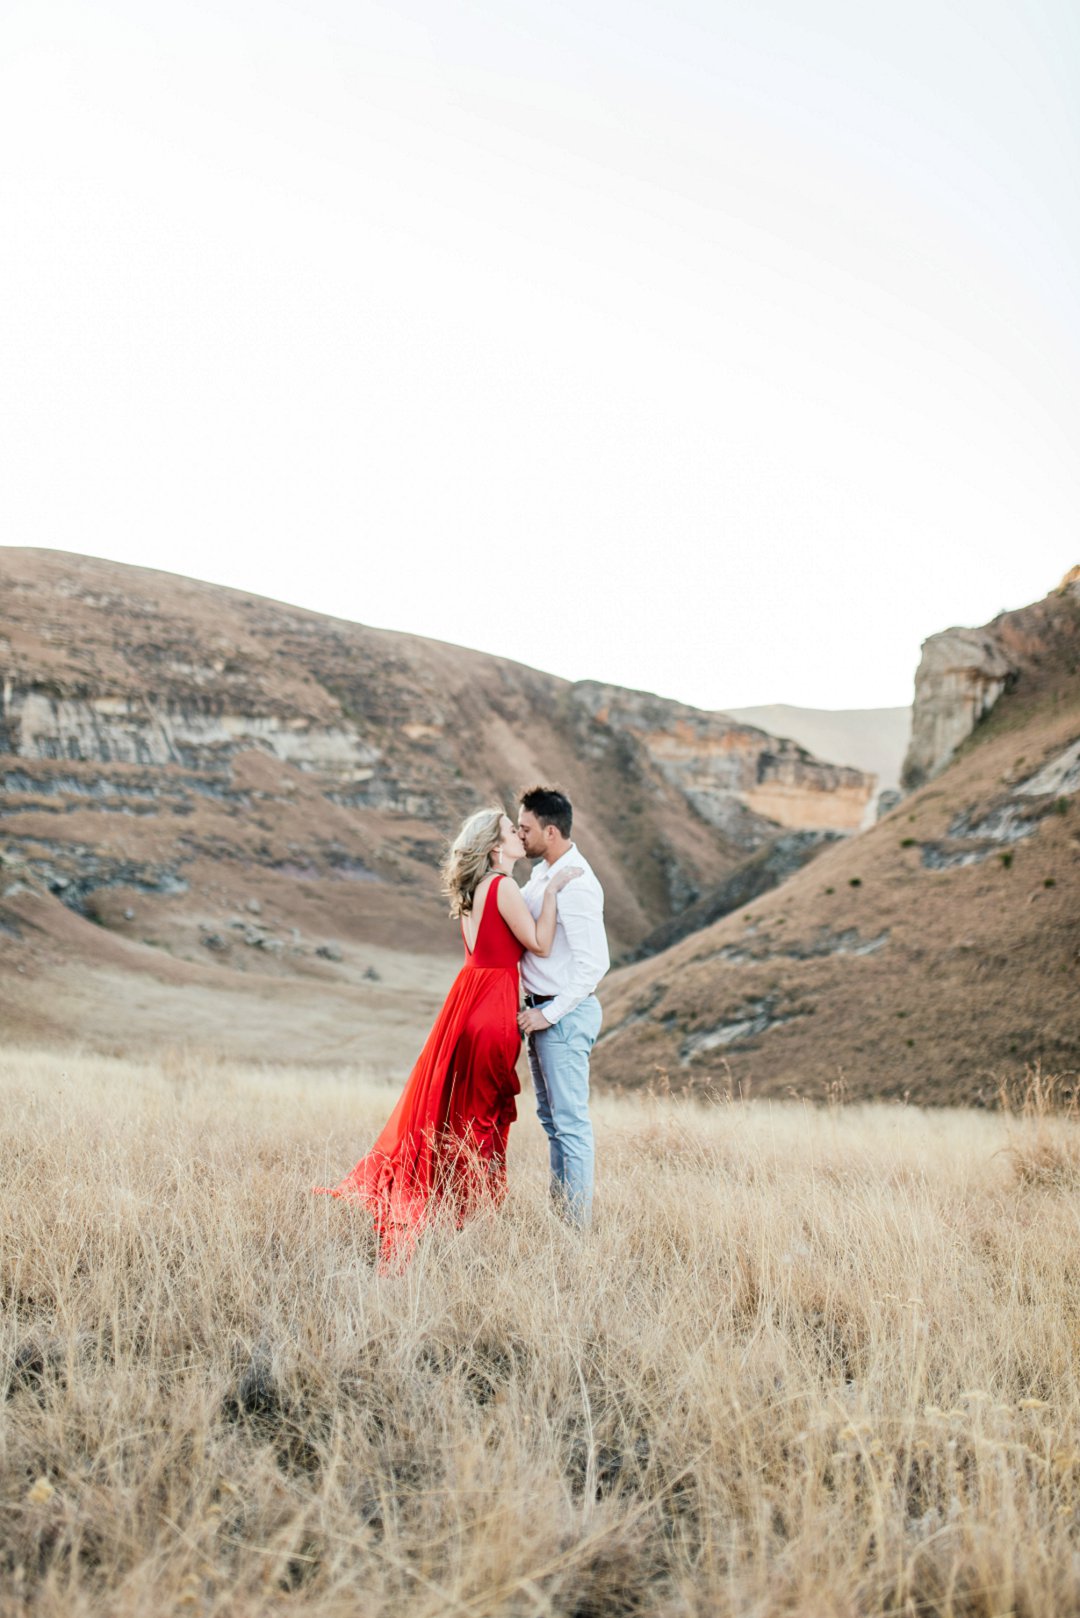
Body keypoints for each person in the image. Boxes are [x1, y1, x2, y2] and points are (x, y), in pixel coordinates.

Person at [314, 807, 581, 1266]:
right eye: (509, 832)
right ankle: (468, 1217)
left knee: (457, 1112)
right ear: (496, 847)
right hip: (493, 1005)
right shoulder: (503, 886)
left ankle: (456, 1212)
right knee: (479, 1115)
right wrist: (554, 888)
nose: (519, 835)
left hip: (466, 1000)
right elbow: (539, 943)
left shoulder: (475, 889)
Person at [516, 786, 610, 1227]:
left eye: (526, 828)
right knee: (552, 1122)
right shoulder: (542, 873)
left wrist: (548, 1014)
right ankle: (561, 1220)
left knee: (570, 1124)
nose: (520, 835)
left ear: (550, 832)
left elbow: (595, 964)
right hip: (541, 1014)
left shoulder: (577, 883)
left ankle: (576, 1233)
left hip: (563, 1016)